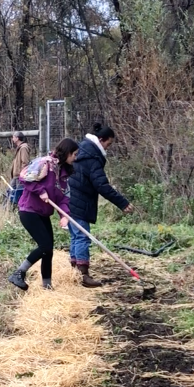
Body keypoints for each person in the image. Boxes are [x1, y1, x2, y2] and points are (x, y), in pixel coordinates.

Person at [68, 123, 134, 287]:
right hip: (80, 201)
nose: (108, 148)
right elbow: (102, 186)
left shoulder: (82, 151)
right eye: (108, 144)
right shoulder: (92, 158)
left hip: (69, 199)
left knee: (76, 236)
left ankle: (74, 272)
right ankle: (83, 275)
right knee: (82, 237)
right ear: (101, 140)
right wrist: (122, 202)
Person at [10, 138, 79, 291]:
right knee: (45, 245)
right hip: (29, 210)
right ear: (67, 153)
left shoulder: (63, 175)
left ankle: (47, 286)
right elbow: (25, 178)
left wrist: (64, 216)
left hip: (43, 213)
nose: (76, 157)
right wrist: (40, 191)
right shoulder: (45, 163)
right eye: (74, 154)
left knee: (49, 249)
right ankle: (18, 273)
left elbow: (64, 199)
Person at [8, 131, 32, 207]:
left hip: (19, 177)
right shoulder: (20, 148)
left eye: (13, 137)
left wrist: (22, 175)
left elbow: (25, 162)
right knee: (11, 193)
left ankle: (19, 209)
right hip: (16, 176)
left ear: (17, 138)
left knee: (18, 195)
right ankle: (11, 210)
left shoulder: (23, 148)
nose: (12, 139)